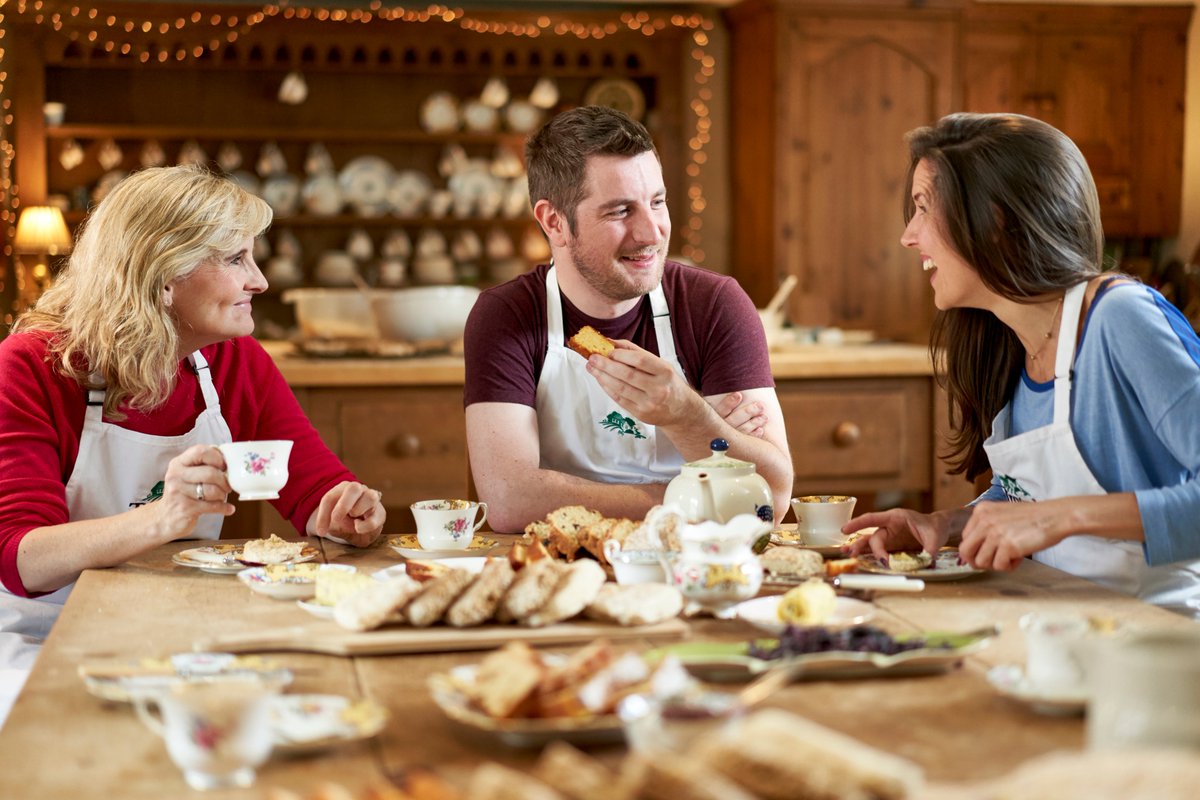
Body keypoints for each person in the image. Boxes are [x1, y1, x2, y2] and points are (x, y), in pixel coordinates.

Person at [0, 165, 387, 722]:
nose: (260, 282)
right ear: (162, 276)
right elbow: (20, 559)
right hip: (45, 636)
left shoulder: (234, 362)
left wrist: (348, 510)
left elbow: (314, 490)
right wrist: (160, 519)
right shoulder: (33, 368)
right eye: (236, 260)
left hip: (178, 629)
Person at [846, 112, 1200, 617]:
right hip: (1065, 631)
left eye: (923, 208)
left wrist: (1064, 517)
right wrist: (948, 524)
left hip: (1163, 647)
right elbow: (1028, 500)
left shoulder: (1120, 317)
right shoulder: (1009, 346)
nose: (909, 236)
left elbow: (1053, 514)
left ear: (993, 218)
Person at [463, 106, 792, 533]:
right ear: (554, 222)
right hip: (558, 566)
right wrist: (696, 489)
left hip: (696, 568)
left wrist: (686, 415)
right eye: (620, 211)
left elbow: (772, 498)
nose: (652, 232)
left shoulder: (714, 304)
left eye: (657, 202)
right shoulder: (506, 316)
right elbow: (509, 500)